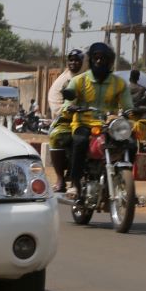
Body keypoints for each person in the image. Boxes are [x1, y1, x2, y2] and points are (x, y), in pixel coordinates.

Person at [63, 41, 134, 197]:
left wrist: (131, 112)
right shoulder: (79, 81)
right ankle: (74, 183)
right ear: (91, 60)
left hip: (109, 124)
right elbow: (68, 101)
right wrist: (70, 106)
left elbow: (128, 106)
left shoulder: (120, 83)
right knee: (80, 142)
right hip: (84, 123)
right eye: (96, 57)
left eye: (103, 58)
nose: (99, 61)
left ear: (109, 61)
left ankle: (125, 183)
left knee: (131, 143)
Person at [46, 49, 85, 191]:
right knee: (56, 135)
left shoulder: (85, 77)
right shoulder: (66, 80)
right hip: (65, 118)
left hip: (85, 117)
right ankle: (60, 179)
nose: (73, 63)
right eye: (71, 60)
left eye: (77, 60)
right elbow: (65, 103)